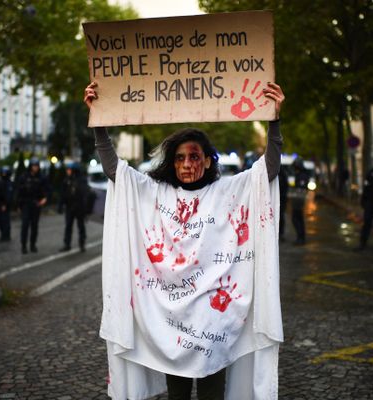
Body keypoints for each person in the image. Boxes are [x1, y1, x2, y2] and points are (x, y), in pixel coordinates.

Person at [85, 81, 284, 400]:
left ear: (207, 161)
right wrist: (99, 121)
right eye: (180, 158)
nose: (187, 164)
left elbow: (266, 171)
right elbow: (116, 171)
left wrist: (274, 121)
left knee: (211, 395)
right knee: (177, 396)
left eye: (194, 157)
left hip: (215, 325)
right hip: (170, 326)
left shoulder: (227, 192)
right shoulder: (154, 193)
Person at [15, 158, 49, 254]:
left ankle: (32, 244)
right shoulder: (24, 177)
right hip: (26, 203)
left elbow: (46, 190)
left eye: (36, 166)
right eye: (34, 166)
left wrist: (45, 199)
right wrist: (18, 205)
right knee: (25, 225)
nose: (35, 168)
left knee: (34, 226)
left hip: (36, 204)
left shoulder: (42, 177)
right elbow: (19, 191)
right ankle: (23, 246)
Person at [58, 162, 88, 252]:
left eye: (69, 169)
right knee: (68, 226)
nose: (67, 171)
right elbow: (62, 194)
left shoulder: (81, 180)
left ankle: (82, 244)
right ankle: (67, 244)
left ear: (74, 171)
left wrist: (85, 209)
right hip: (69, 207)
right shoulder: (66, 180)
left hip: (79, 207)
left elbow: (84, 194)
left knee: (81, 226)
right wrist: (60, 205)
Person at [290, 158, 309, 245]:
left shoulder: (302, 175)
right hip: (298, 199)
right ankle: (300, 237)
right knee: (299, 219)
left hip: (299, 200)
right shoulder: (300, 174)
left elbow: (301, 188)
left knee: (296, 219)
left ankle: (300, 237)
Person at [0, 166, 14, 242]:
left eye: (5, 173)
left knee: (5, 221)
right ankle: (4, 235)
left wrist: (5, 204)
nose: (4, 174)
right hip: (0, 204)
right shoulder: (1, 182)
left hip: (5, 205)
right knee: (0, 220)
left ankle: (6, 236)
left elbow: (8, 195)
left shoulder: (8, 183)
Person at [278, 163, 289, 242]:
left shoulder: (282, 175)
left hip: (281, 199)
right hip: (277, 199)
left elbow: (285, 187)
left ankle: (281, 233)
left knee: (281, 216)